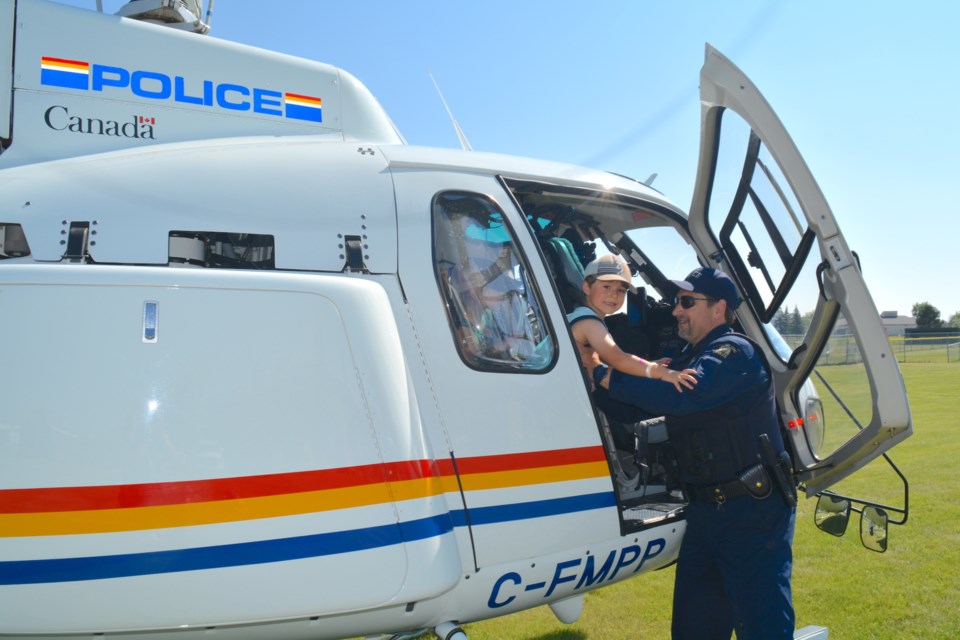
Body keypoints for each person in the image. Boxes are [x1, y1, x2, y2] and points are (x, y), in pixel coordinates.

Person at [594, 266, 796, 640]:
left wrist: (608, 375)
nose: (675, 311)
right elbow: (633, 410)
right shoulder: (690, 358)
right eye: (676, 302)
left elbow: (684, 395)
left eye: (687, 302)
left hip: (753, 513)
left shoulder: (734, 352)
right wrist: (595, 379)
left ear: (718, 308)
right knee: (695, 627)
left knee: (762, 625)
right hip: (706, 512)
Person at [569, 254, 696, 393]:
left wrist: (648, 365)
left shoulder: (584, 316)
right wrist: (664, 373)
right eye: (606, 286)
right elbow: (618, 359)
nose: (614, 294)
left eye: (621, 290)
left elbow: (612, 361)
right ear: (587, 287)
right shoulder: (589, 322)